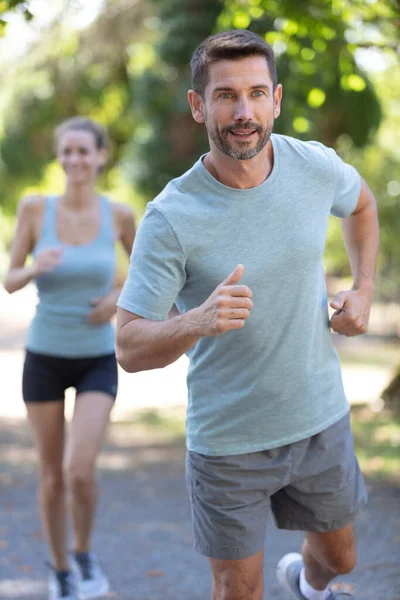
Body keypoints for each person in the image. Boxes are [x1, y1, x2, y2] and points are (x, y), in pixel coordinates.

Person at [115, 30, 379, 600]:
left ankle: (309, 586)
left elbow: (361, 203)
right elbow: (128, 347)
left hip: (319, 416)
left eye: (257, 94)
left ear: (277, 99)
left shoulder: (313, 167)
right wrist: (194, 321)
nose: (244, 112)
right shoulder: (171, 216)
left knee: (342, 557)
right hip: (228, 441)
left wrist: (363, 288)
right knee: (236, 589)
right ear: (197, 105)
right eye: (226, 95)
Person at [4, 117, 136, 600]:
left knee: (79, 470)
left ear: (101, 157)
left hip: (96, 359)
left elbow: (148, 273)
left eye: (85, 151)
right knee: (52, 475)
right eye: (68, 151)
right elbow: (10, 278)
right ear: (59, 157)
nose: (76, 160)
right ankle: (60, 568)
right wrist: (34, 266)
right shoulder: (36, 209)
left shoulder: (119, 215)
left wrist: (118, 298)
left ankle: (83, 552)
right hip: (44, 355)